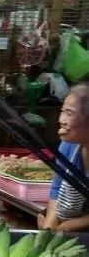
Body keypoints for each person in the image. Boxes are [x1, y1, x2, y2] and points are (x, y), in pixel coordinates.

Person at [39, 84, 89, 232]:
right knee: (42, 219)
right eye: (63, 111)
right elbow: (57, 188)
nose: (62, 120)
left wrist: (70, 226)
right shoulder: (68, 147)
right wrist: (49, 229)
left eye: (70, 113)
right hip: (72, 214)